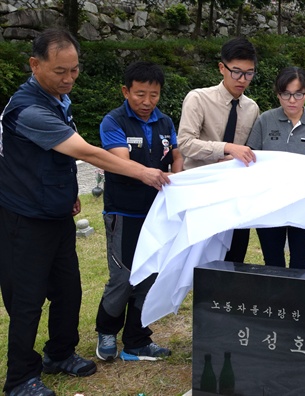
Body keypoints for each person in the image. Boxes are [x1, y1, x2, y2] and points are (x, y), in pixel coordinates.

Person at [0, 29, 170, 396]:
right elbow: (87, 153)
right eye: (61, 71)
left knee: (68, 291)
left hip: (56, 214)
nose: (69, 78)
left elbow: (50, 160)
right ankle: (20, 379)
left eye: (74, 70)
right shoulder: (28, 108)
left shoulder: (59, 100)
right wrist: (144, 172)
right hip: (23, 219)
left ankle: (59, 353)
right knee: (27, 301)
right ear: (35, 64)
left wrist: (68, 195)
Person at [94, 61, 183, 363]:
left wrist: (179, 178)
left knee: (150, 276)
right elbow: (119, 160)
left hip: (156, 214)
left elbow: (175, 154)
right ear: (126, 91)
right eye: (140, 94)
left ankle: (137, 340)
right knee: (123, 276)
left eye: (154, 95)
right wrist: (146, 172)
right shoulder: (114, 121)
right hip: (123, 213)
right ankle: (106, 331)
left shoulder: (165, 122)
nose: (147, 102)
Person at [178, 37, 260, 264]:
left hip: (236, 194)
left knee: (236, 255)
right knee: (202, 259)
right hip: (203, 191)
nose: (242, 79)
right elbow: (185, 143)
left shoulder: (251, 108)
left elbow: (252, 150)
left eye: (249, 73)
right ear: (221, 68)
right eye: (236, 72)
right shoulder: (198, 99)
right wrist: (226, 148)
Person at [246, 66, 305, 269]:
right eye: (286, 94)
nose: (292, 100)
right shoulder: (265, 121)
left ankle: (298, 301)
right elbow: (249, 157)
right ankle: (275, 301)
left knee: (301, 261)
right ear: (278, 94)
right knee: (272, 260)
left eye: (298, 94)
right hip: (269, 204)